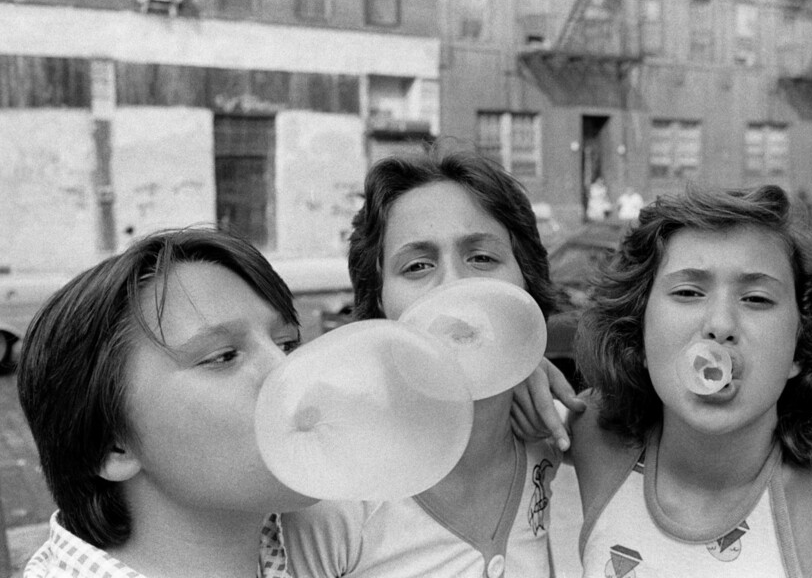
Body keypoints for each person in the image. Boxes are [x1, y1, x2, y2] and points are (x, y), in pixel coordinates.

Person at [571, 185, 812, 578]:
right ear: (638, 334)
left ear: (802, 347)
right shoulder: (591, 433)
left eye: (756, 299)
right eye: (688, 291)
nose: (720, 326)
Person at [282, 151, 583, 577]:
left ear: (527, 282)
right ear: (380, 304)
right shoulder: (334, 497)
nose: (455, 285)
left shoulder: (560, 443)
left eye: (482, 258)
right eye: (417, 266)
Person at [17, 228, 320, 577]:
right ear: (113, 445)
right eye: (223, 357)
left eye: (287, 343)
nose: (291, 373)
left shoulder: (335, 541)